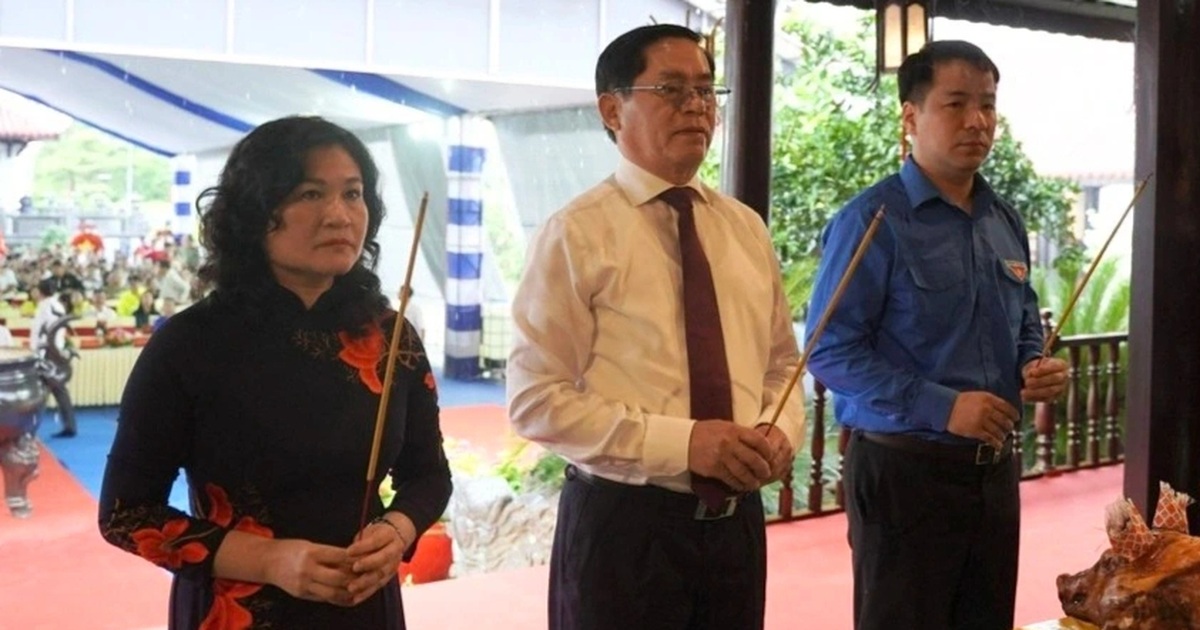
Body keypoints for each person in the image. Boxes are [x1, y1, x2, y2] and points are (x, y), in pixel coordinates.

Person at [98, 115, 452, 630]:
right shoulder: (191, 343)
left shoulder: (389, 339)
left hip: (364, 608)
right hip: (239, 610)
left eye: (353, 194)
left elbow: (429, 475)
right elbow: (126, 513)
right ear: (256, 212)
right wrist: (273, 561)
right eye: (310, 194)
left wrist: (397, 530)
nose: (339, 215)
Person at [507, 24, 805, 630]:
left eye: (705, 91)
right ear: (612, 109)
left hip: (736, 529)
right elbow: (535, 399)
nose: (696, 106)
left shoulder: (744, 228)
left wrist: (780, 432)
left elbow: (782, 364)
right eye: (671, 89)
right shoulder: (577, 233)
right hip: (625, 530)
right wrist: (685, 443)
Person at [803, 41, 1070, 630]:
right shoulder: (872, 220)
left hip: (993, 474)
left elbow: (1023, 317)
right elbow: (828, 349)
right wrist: (943, 407)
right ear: (910, 116)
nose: (977, 121)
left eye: (988, 106)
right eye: (955, 104)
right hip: (905, 476)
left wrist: (1035, 363)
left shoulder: (1004, 219)